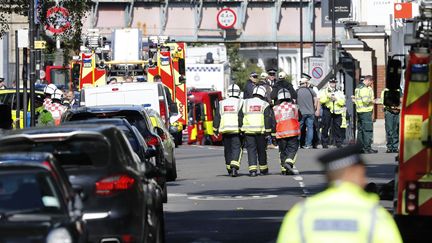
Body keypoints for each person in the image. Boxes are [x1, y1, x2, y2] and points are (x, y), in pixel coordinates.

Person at [277, 143, 403, 243]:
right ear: (353, 172)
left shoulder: (301, 213)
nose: (364, 179)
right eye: (362, 173)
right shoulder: (374, 215)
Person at [240, 86, 274, 177]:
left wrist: (240, 128)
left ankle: (253, 170)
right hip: (261, 131)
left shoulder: (245, 102)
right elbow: (267, 118)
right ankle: (263, 169)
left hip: (248, 131)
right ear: (263, 94)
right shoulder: (265, 104)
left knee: (251, 150)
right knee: (261, 150)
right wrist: (268, 132)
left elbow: (240, 116)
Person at [213, 84, 244, 177]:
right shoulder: (241, 102)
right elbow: (241, 116)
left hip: (225, 129)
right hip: (236, 129)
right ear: (238, 92)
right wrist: (242, 128)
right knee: (236, 148)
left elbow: (217, 117)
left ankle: (229, 169)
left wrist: (215, 129)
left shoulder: (221, 103)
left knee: (228, 150)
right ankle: (234, 167)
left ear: (228, 92)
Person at [273, 89, 300, 175]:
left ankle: (283, 169)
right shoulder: (294, 107)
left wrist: (273, 134)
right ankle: (288, 163)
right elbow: (300, 117)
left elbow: (273, 121)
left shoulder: (275, 108)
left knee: (282, 150)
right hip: (293, 131)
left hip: (281, 132)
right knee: (292, 149)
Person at [353, 75, 378, 153]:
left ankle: (360, 148)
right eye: (371, 82)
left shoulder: (358, 87)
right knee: (367, 130)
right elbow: (366, 100)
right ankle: (367, 148)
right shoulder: (364, 89)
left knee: (360, 130)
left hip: (359, 111)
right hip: (366, 111)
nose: (371, 84)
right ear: (369, 80)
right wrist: (374, 101)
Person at [319, 78, 346, 148]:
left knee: (337, 127)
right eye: (331, 82)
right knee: (326, 126)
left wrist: (336, 99)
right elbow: (321, 100)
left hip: (337, 111)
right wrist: (328, 98)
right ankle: (324, 143)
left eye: (334, 82)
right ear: (329, 83)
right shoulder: (324, 91)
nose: (333, 83)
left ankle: (338, 142)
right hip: (327, 110)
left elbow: (343, 102)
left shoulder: (339, 92)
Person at [297, 74, 319, 149]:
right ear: (306, 83)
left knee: (299, 128)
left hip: (301, 113)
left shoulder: (297, 91)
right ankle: (308, 144)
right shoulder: (311, 90)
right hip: (310, 112)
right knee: (310, 128)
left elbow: (294, 101)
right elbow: (316, 99)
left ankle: (298, 144)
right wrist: (314, 108)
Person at [380, 88, 401, 153]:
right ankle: (389, 147)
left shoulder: (399, 90)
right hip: (389, 112)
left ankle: (395, 147)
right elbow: (382, 101)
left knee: (396, 130)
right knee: (389, 130)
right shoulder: (385, 91)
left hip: (397, 112)